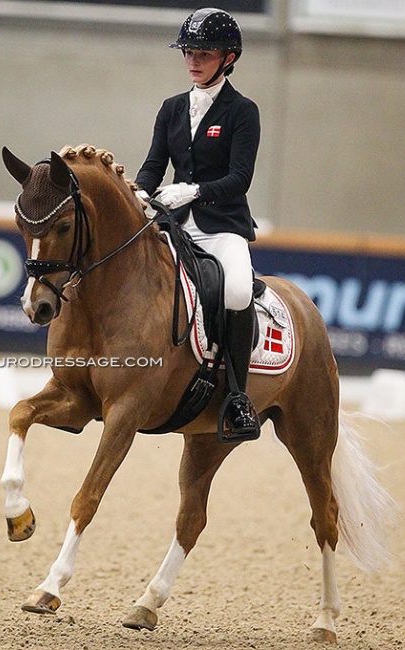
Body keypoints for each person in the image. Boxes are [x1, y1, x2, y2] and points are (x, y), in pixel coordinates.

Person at [135, 7, 261, 441]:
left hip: (221, 224)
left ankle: (239, 398)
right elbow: (154, 166)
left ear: (228, 58)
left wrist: (193, 190)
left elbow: (239, 178)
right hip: (174, 224)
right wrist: (139, 194)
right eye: (189, 51)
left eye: (204, 53)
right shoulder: (172, 108)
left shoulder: (243, 111)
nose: (193, 60)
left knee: (239, 290)